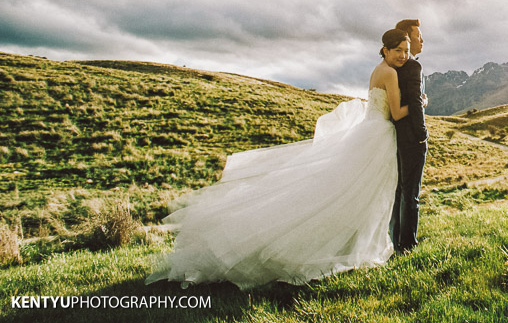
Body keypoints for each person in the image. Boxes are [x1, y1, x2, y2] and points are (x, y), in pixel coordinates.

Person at [145, 29, 412, 289]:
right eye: (398, 50)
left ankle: (351, 243)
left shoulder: (379, 69)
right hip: (377, 136)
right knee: (363, 195)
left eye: (406, 51)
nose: (402, 55)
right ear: (385, 50)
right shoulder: (389, 72)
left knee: (353, 193)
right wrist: (419, 102)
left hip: (369, 132)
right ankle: (353, 246)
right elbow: (398, 113)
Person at [389, 18, 428, 253]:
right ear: (406, 38)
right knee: (411, 192)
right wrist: (422, 133)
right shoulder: (412, 66)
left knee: (400, 191)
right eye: (418, 36)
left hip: (396, 135)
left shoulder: (394, 67)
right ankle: (408, 245)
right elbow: (414, 101)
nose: (422, 40)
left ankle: (396, 240)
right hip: (411, 136)